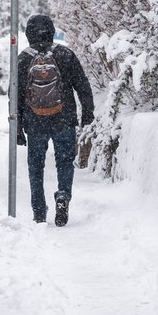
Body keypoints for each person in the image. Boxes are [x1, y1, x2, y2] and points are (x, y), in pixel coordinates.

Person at [17, 15, 94, 226]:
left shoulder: (23, 59)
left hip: (34, 122)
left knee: (35, 167)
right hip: (64, 118)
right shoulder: (65, 54)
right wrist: (87, 112)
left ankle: (39, 211)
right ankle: (63, 196)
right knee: (64, 162)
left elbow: (14, 94)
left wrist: (16, 127)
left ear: (28, 34)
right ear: (51, 31)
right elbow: (83, 85)